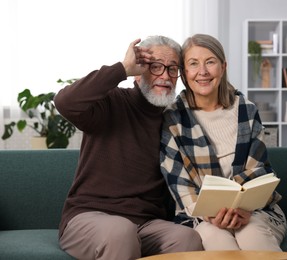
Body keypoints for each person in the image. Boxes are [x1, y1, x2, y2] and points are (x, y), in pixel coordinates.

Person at [55, 36, 203, 260]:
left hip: (146, 225)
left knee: (187, 239)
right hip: (90, 217)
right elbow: (65, 102)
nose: (165, 76)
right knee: (121, 232)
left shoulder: (176, 120)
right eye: (155, 67)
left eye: (172, 69)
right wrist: (122, 68)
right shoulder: (111, 102)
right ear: (137, 72)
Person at [160, 34, 287, 251]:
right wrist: (211, 212)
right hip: (201, 216)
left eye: (210, 62)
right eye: (193, 64)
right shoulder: (173, 118)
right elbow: (178, 181)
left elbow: (258, 170)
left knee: (252, 234)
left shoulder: (246, 109)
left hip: (255, 211)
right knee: (217, 240)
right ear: (184, 74)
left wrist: (242, 209)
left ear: (223, 66)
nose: (203, 72)